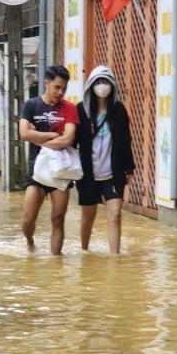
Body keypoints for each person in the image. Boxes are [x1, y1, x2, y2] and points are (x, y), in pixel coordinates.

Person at [19, 65, 79, 255]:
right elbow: (23, 134)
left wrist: (38, 136)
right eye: (57, 87)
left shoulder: (69, 108)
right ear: (46, 83)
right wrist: (53, 135)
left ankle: (56, 262)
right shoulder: (31, 105)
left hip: (61, 171)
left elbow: (68, 139)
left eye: (64, 88)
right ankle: (29, 243)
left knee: (58, 219)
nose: (60, 92)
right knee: (28, 219)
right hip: (36, 170)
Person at [74, 65, 135, 254]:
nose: (102, 86)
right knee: (87, 219)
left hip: (112, 174)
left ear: (112, 85)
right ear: (91, 85)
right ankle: (84, 252)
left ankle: (114, 257)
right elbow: (73, 141)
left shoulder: (118, 110)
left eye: (106, 82)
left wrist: (129, 169)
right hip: (88, 175)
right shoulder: (81, 110)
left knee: (115, 216)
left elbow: (126, 141)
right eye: (98, 82)